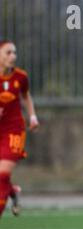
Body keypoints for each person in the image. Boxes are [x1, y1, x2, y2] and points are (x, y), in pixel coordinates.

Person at [0, 40, 39, 218]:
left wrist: (32, 117)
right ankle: (13, 191)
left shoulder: (21, 77)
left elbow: (26, 96)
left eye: (14, 53)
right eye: (8, 52)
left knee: (2, 173)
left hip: (14, 130)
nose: (13, 56)